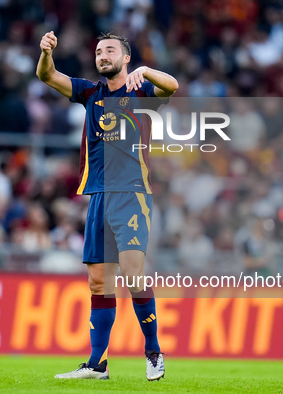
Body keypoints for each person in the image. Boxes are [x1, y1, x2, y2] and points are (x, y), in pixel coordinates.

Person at [36, 31, 178, 381]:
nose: (103, 55)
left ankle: (153, 352)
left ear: (125, 58)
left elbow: (172, 86)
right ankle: (97, 364)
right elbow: (47, 76)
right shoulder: (90, 93)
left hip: (131, 193)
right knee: (99, 283)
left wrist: (144, 71)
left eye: (110, 50)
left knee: (133, 276)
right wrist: (46, 53)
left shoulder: (140, 91)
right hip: (98, 195)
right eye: (99, 51)